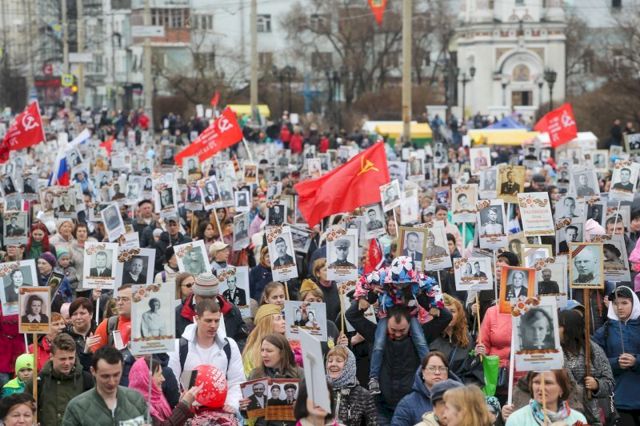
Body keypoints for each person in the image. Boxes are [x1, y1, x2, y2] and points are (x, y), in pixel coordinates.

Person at [168, 299, 245, 413]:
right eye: (208, 321)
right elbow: (172, 383)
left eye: (217, 321)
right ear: (197, 319)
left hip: (222, 412)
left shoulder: (230, 345)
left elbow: (236, 382)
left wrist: (232, 404)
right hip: (189, 413)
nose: (213, 325)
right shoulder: (178, 346)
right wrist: (182, 404)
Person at [62, 347, 148, 425]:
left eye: (116, 375)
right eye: (105, 376)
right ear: (93, 371)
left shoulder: (136, 399)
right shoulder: (77, 407)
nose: (112, 382)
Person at [557, 310, 615, 425]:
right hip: (561, 415)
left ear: (570, 328)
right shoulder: (552, 352)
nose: (555, 330)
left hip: (591, 415)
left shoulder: (592, 349)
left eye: (559, 326)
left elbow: (610, 382)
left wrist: (597, 385)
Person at [593, 286, 640, 424]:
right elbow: (594, 362)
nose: (619, 307)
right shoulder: (604, 331)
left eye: (624, 303)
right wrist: (615, 363)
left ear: (634, 303)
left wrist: (636, 361)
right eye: (615, 303)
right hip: (618, 400)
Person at [25, 334, 94, 426]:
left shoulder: (87, 380)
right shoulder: (37, 383)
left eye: (71, 358)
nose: (67, 363)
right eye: (62, 359)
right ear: (51, 356)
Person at [239, 333, 303, 426]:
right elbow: (248, 414)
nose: (264, 354)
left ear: (282, 353)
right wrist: (244, 408)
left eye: (269, 351)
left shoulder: (300, 374)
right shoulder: (256, 374)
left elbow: (313, 409)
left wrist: (301, 406)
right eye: (262, 350)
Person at [392, 352, 463, 426]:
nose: (437, 372)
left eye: (442, 368)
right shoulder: (407, 403)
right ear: (423, 372)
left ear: (447, 373)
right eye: (432, 368)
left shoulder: (462, 399)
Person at [128, 357, 201, 426]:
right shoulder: (136, 407)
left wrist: (182, 404)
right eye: (159, 375)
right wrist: (184, 404)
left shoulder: (157, 397)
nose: (163, 379)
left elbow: (170, 420)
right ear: (146, 379)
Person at [504, 370, 587, 425]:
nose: (541, 388)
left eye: (548, 383)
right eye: (536, 382)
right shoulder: (516, 419)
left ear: (561, 389)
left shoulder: (578, 419)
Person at [325, 345, 376, 426]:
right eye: (330, 361)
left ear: (349, 365)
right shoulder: (320, 390)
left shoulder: (363, 395)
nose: (333, 364)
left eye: (339, 361)